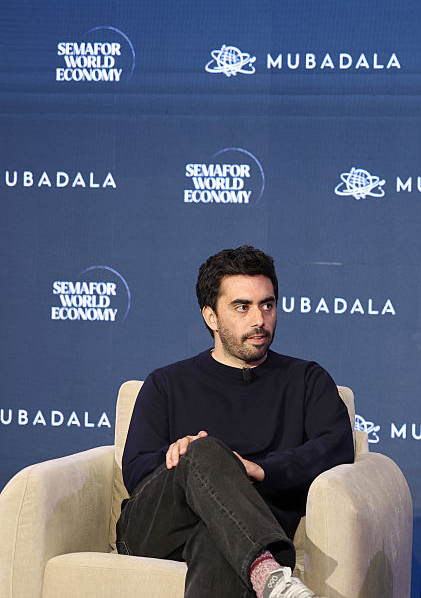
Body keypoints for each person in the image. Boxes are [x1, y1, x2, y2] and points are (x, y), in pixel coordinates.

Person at [117, 246, 354, 598]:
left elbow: (336, 448)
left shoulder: (305, 379)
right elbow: (136, 471)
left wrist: (262, 469)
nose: (259, 319)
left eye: (267, 305)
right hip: (156, 529)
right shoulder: (167, 383)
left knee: (218, 539)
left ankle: (262, 570)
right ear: (211, 317)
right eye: (242, 307)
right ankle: (272, 576)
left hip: (249, 528)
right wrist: (189, 460)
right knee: (203, 450)